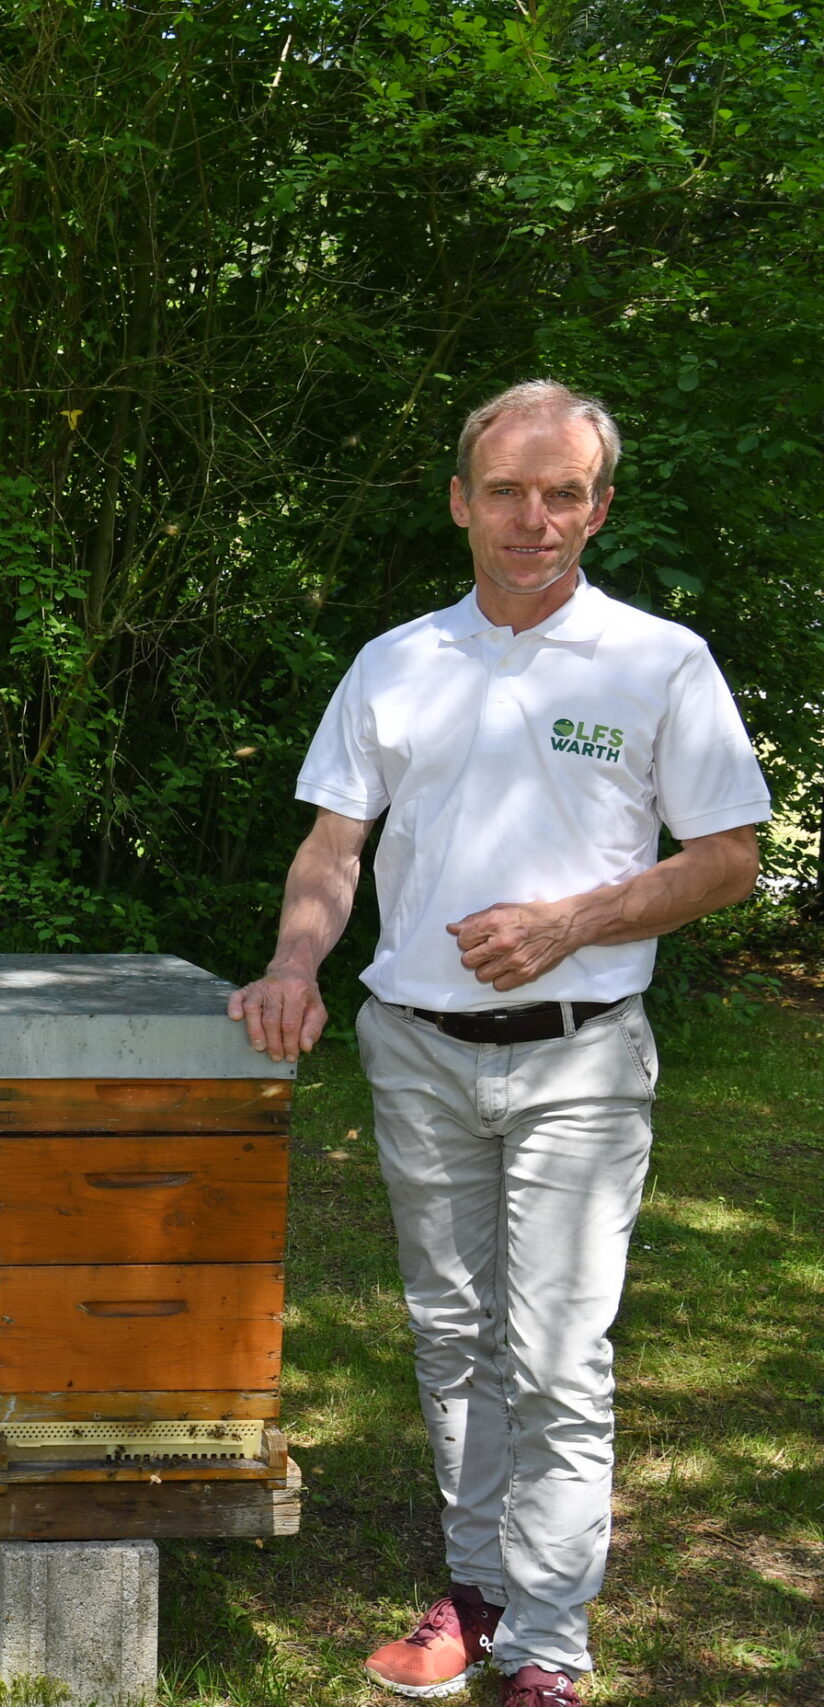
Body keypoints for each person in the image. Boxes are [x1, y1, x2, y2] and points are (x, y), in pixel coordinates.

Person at [229, 382, 768, 1707]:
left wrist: (573, 919)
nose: (538, 519)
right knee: (454, 1330)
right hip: (415, 1047)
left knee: (559, 1349)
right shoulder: (398, 662)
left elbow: (730, 859)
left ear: (600, 504)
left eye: (566, 493)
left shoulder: (658, 660)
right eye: (511, 492)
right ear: (463, 501)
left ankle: (550, 1647)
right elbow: (331, 844)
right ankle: (478, 1590)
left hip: (581, 1056)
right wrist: (297, 960)